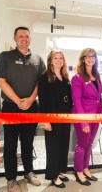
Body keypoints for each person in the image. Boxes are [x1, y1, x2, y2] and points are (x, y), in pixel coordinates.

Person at [0, 26, 45, 192]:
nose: (24, 39)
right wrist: (18, 101)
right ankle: (11, 179)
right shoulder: (5, 57)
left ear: (30, 39)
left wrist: (30, 100)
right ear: (15, 38)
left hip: (31, 107)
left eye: (27, 36)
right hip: (10, 107)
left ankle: (29, 172)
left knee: (28, 143)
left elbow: (40, 83)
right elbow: (1, 81)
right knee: (10, 144)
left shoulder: (38, 58)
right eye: (21, 36)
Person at [37, 50, 72, 188]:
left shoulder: (65, 76)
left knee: (63, 145)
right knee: (53, 147)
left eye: (61, 58)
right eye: (55, 58)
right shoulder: (45, 77)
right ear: (50, 60)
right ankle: (53, 175)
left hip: (65, 117)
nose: (58, 60)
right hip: (52, 117)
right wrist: (45, 120)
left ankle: (59, 170)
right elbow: (43, 101)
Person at [71, 48, 102, 186]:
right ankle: (78, 171)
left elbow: (98, 97)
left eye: (93, 56)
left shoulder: (96, 75)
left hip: (96, 115)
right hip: (84, 115)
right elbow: (77, 101)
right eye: (88, 56)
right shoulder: (77, 78)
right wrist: (84, 122)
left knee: (90, 144)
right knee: (82, 144)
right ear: (83, 59)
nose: (91, 58)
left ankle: (85, 168)